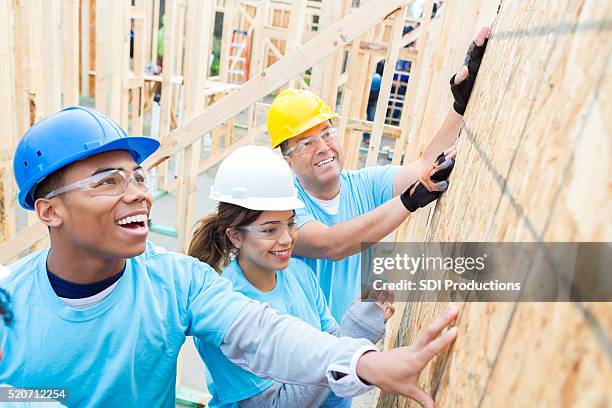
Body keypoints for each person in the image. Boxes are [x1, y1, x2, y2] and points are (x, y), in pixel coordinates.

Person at [1, 106, 459, 407]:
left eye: (137, 176)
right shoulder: (9, 304)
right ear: (49, 210)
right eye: (107, 181)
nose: (138, 194)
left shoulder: (180, 283)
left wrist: (365, 360)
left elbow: (264, 333)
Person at [266, 27, 491, 321]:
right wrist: (408, 202)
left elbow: (424, 167)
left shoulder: (365, 185)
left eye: (327, 133)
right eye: (306, 143)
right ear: (287, 161)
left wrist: (460, 106)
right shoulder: (285, 208)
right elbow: (331, 244)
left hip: (356, 346)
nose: (323, 147)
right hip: (307, 355)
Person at [188, 146, 394, 407]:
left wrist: (354, 333)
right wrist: (358, 333)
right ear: (235, 236)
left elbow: (330, 342)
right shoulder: (224, 310)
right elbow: (275, 403)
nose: (286, 240)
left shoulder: (299, 273)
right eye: (270, 230)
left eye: (290, 223)